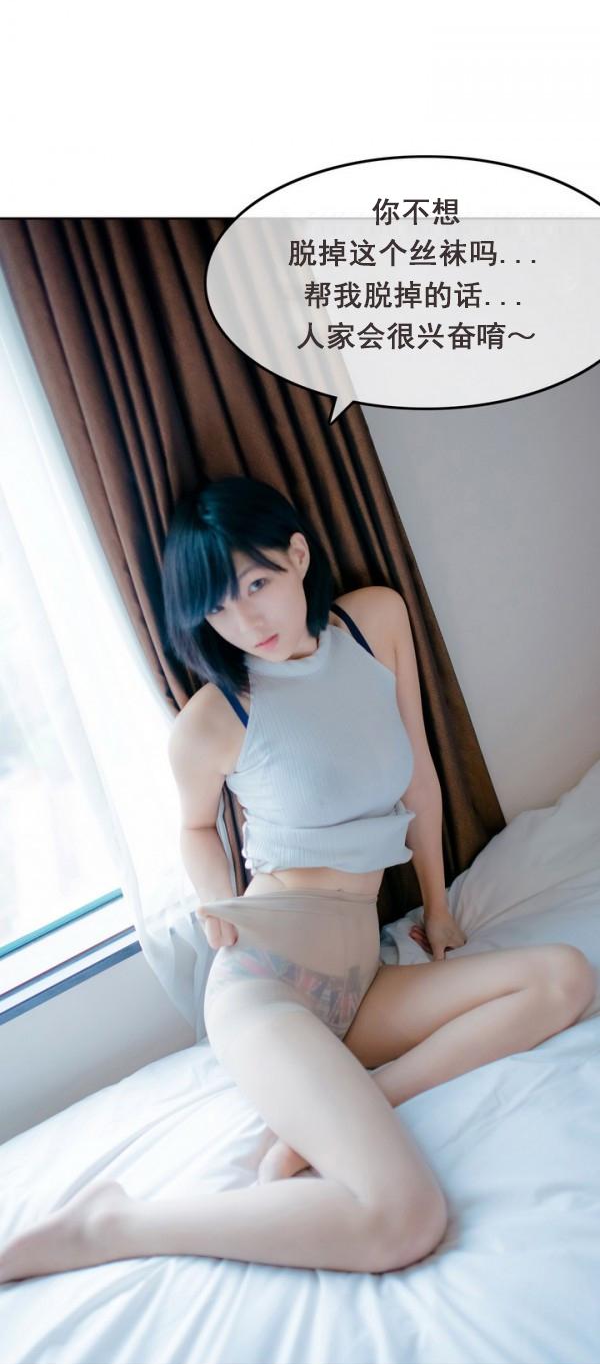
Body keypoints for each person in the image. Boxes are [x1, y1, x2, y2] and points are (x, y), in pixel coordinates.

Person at [1, 480, 592, 1286]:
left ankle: (364, 1097)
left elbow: (418, 771)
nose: (248, 621)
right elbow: (195, 827)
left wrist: (439, 905)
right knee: (403, 1216)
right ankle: (114, 1223)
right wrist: (214, 901)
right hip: (266, 982)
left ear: (298, 555)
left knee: (564, 977)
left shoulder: (374, 621)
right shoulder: (216, 717)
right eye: (218, 607)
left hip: (363, 977)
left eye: (257, 582)